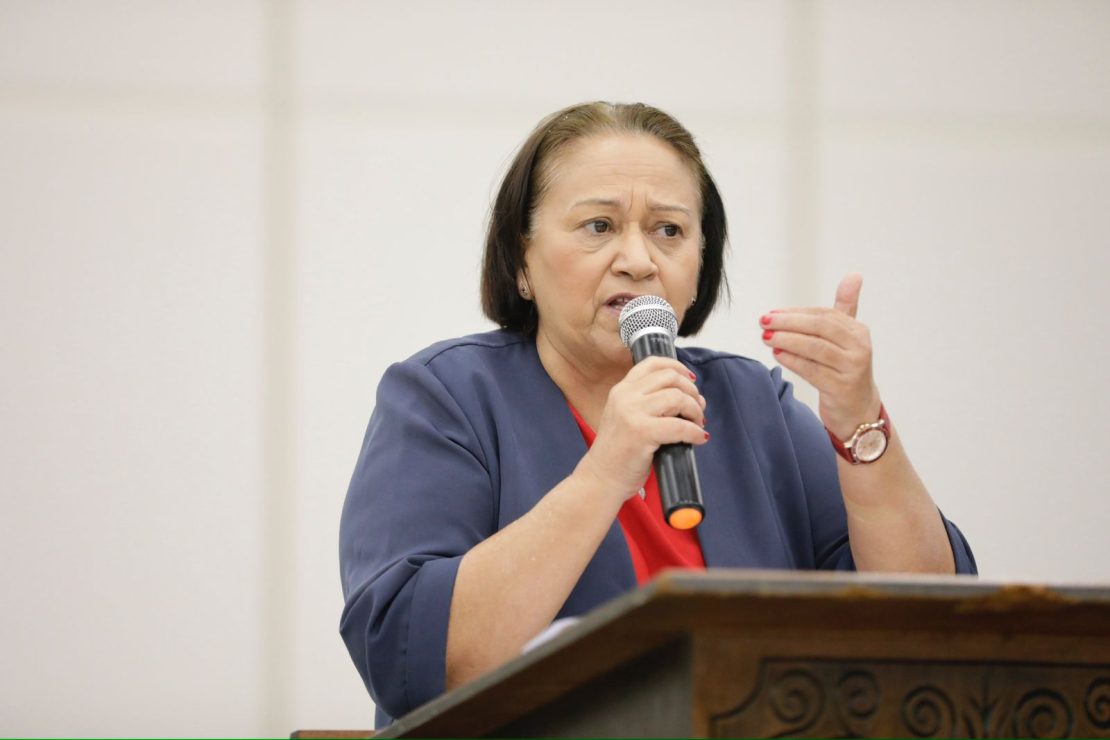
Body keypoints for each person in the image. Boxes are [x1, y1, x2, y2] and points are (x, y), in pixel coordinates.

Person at [338, 101, 976, 727]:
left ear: (701, 267)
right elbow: (419, 661)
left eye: (669, 231)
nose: (639, 260)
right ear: (521, 259)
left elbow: (927, 629)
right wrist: (606, 469)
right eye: (599, 226)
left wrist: (862, 421)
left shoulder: (755, 407)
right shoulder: (444, 397)